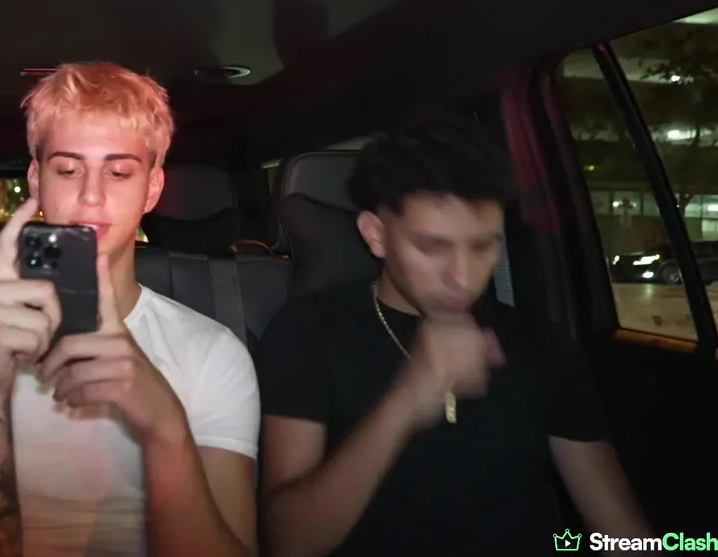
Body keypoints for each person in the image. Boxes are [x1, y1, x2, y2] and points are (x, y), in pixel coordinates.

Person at [0, 62, 260, 556]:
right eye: (68, 170)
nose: (91, 195)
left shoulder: (213, 353)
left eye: (119, 172)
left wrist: (165, 427)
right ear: (37, 181)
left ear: (152, 188)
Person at [256, 117, 653, 556]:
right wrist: (406, 401)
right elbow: (289, 543)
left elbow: (622, 533)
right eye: (432, 247)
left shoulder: (540, 340)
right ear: (376, 235)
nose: (462, 278)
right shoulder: (309, 333)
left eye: (483, 246)